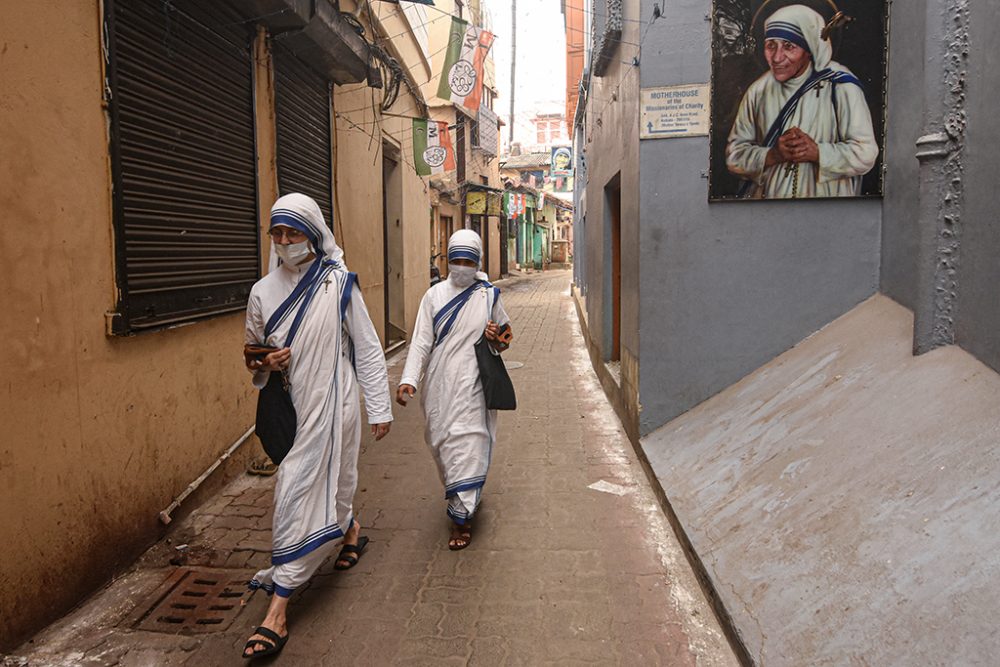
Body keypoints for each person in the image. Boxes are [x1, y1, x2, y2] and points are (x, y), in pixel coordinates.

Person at [241, 193, 392, 660]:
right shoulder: (262, 292)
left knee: (324, 481)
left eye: (295, 233)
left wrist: (379, 406)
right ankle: (347, 531)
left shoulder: (338, 282)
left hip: (337, 402)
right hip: (294, 406)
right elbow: (251, 355)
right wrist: (268, 360)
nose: (286, 241)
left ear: (314, 234)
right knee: (297, 488)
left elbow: (366, 347)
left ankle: (278, 609)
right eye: (278, 234)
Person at [396, 230, 512, 550]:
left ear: (477, 263)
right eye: (456, 260)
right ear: (448, 260)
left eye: (468, 261)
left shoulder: (488, 296)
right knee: (445, 446)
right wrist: (409, 379)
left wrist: (494, 335)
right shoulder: (433, 297)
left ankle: (461, 518)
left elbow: (507, 336)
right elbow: (420, 341)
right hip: (440, 386)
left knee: (470, 443)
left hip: (474, 384)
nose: (461, 267)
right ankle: (463, 493)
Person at [725, 4, 878, 198]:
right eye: (771, 45)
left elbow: (866, 153)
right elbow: (734, 156)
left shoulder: (840, 85)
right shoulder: (758, 91)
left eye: (789, 46)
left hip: (827, 209)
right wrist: (772, 155)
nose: (777, 57)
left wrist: (817, 153)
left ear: (809, 48)